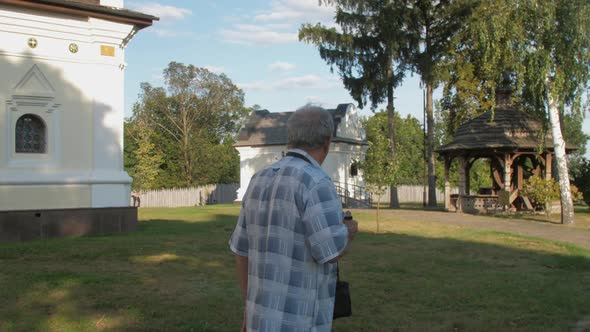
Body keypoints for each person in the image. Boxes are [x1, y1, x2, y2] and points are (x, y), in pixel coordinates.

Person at [229, 105, 358, 332]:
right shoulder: (317, 182)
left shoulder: (258, 179)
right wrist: (348, 230)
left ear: (291, 138)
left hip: (259, 320)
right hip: (299, 321)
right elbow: (330, 252)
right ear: (327, 142)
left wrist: (248, 309)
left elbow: (241, 251)